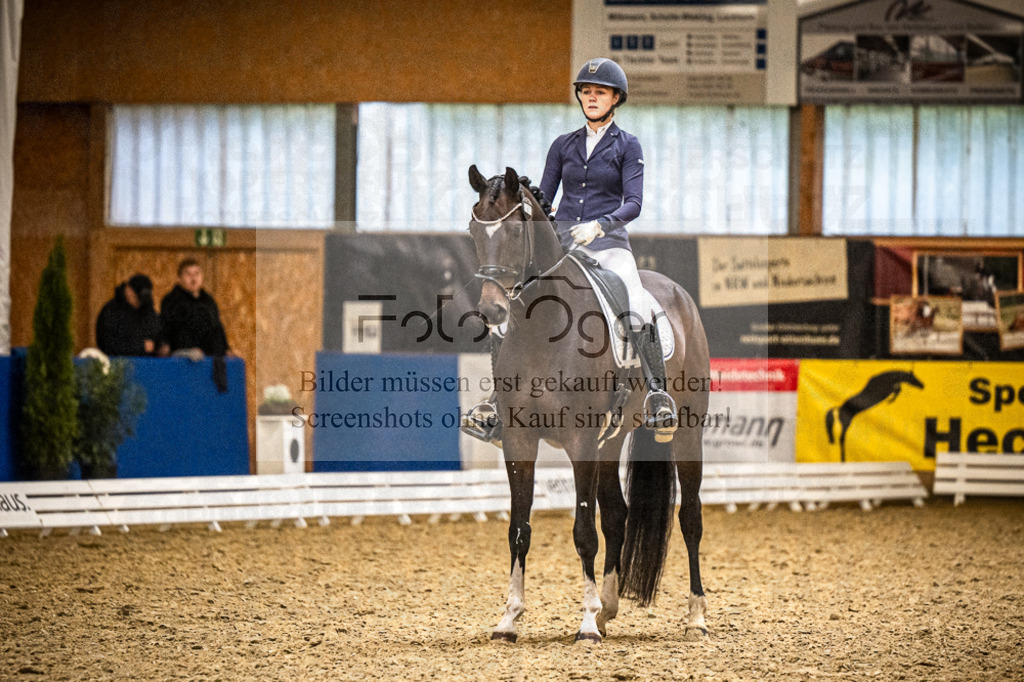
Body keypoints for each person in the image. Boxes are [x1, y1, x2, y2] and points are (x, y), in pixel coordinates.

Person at [463, 57, 677, 444]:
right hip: (562, 246)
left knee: (634, 297)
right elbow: (544, 198)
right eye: (587, 92)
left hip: (608, 244)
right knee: (512, 307)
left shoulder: (628, 145)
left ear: (615, 98)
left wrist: (600, 225)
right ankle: (497, 402)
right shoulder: (563, 145)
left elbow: (634, 203)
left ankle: (658, 394)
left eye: (600, 92)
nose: (592, 97)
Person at [159, 258, 232, 391]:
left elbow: (217, 327)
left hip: (209, 355)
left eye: (197, 274)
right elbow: (166, 327)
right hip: (182, 354)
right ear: (179, 278)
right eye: (188, 274)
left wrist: (226, 348)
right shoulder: (171, 300)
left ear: (202, 277)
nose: (193, 278)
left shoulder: (208, 301)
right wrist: (165, 344)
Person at [96, 274, 162, 356]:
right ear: (128, 291)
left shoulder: (148, 310)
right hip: (119, 362)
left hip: (147, 362)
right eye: (137, 298)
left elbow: (157, 333)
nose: (139, 303)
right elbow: (106, 343)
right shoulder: (111, 311)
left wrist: (159, 345)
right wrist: (139, 346)